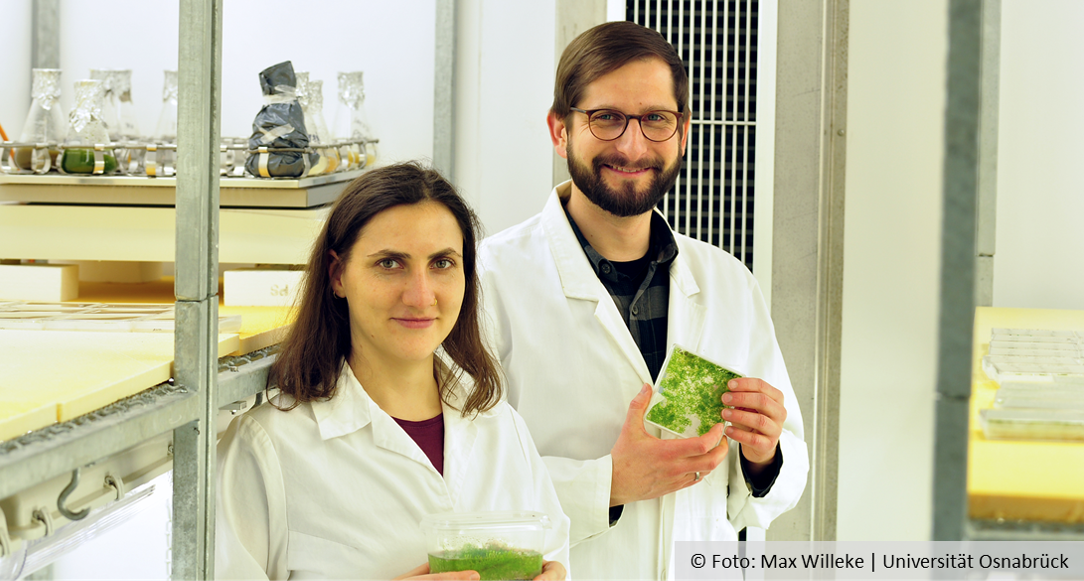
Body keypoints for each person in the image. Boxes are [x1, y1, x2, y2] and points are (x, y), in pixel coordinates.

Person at [477, 21, 809, 579]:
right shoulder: (485, 282)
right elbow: (458, 481)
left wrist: (765, 455)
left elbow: (781, 478)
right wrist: (608, 484)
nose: (632, 146)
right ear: (560, 131)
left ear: (682, 133)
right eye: (606, 118)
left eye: (656, 119)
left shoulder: (728, 283)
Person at [216, 163, 569, 580]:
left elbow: (556, 552)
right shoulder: (268, 447)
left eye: (442, 263)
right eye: (389, 263)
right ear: (338, 275)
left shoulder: (500, 426)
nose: (421, 296)